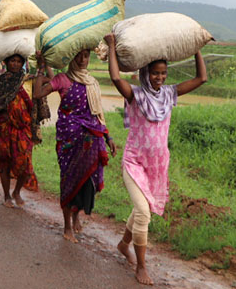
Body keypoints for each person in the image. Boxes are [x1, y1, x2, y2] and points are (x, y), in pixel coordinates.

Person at [103, 33, 207, 285]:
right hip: (134, 161)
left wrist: (196, 48)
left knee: (144, 208)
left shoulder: (169, 94)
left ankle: (123, 244)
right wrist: (113, 46)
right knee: (142, 212)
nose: (159, 78)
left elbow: (201, 78)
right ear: (145, 73)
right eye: (154, 73)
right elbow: (116, 77)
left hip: (157, 165)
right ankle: (141, 267)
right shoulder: (135, 95)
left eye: (163, 73)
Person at [34, 49, 116, 243]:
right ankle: (67, 226)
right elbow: (38, 94)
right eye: (78, 55)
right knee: (69, 180)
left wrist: (108, 137)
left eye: (86, 55)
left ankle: (76, 214)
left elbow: (97, 113)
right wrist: (40, 69)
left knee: (88, 182)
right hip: (69, 140)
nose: (82, 59)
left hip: (91, 139)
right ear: (70, 58)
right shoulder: (63, 79)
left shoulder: (92, 83)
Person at [0, 53, 50, 208]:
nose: (15, 64)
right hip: (4, 129)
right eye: (12, 60)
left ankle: (17, 192)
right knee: (4, 162)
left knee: (26, 165)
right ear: (6, 62)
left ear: (23, 63)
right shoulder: (0, 82)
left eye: (19, 61)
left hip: (24, 130)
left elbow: (51, 81)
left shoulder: (29, 80)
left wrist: (43, 64)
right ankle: (7, 195)